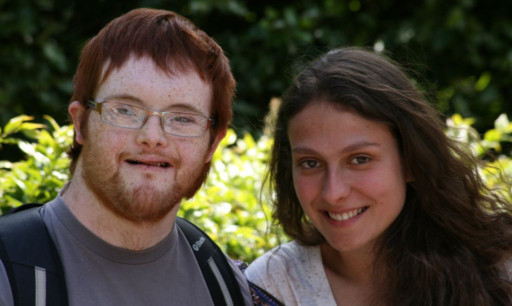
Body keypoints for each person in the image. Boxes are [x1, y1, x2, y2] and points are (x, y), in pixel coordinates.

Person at [0, 8, 254, 305]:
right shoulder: (8, 273)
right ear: (80, 123)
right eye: (125, 110)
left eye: (182, 118)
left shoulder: (223, 282)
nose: (153, 137)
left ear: (212, 144)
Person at [245, 47, 512, 305]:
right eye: (311, 163)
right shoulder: (272, 287)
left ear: (410, 159)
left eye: (360, 159)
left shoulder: (499, 269)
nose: (333, 192)